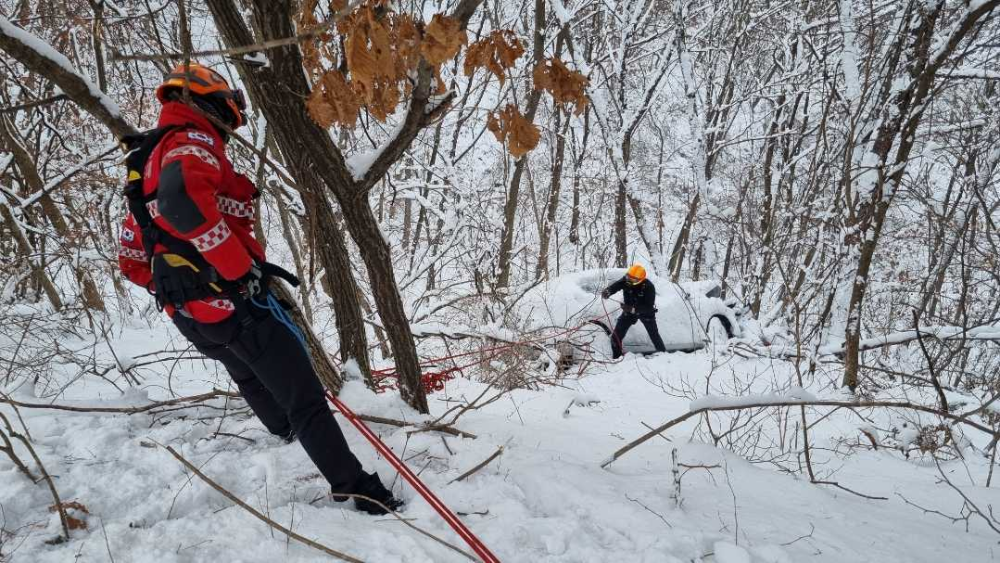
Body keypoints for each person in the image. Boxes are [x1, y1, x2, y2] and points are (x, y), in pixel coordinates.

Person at [117, 62, 402, 515]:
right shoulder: (195, 141)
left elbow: (131, 259)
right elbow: (180, 203)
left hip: (190, 315)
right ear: (210, 100)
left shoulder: (146, 162)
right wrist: (233, 273)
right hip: (237, 307)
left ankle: (283, 432)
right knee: (306, 401)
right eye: (233, 105)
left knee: (247, 371)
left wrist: (184, 286)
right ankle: (360, 490)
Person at [601, 264, 667, 358]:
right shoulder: (626, 279)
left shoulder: (649, 287)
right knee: (616, 336)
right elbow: (617, 285)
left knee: (654, 335)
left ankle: (663, 356)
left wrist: (633, 309)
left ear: (640, 280)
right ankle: (617, 359)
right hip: (628, 313)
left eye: (633, 279)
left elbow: (648, 307)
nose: (629, 280)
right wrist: (608, 291)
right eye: (628, 277)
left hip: (645, 313)